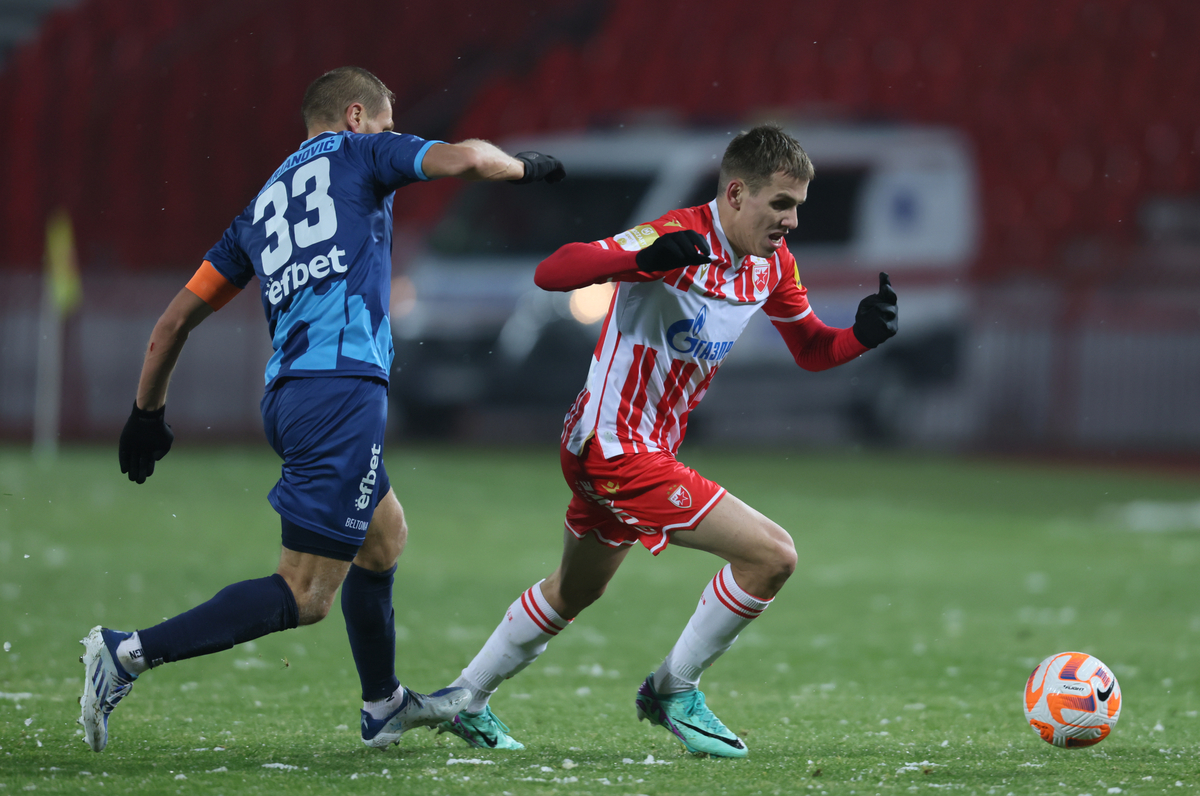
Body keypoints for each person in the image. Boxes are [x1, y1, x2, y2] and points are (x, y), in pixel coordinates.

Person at [78, 66, 566, 753]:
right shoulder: (364, 151)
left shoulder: (261, 205)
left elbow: (174, 321)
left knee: (383, 536)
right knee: (305, 592)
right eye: (391, 123)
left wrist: (146, 411)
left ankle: (383, 704)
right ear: (357, 115)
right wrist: (528, 169)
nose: (396, 136)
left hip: (291, 395)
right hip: (339, 391)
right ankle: (126, 651)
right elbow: (470, 158)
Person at [436, 124, 897, 757]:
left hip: (631, 448)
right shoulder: (674, 234)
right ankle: (673, 689)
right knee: (772, 556)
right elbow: (553, 271)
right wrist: (638, 259)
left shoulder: (772, 264)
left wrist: (862, 337)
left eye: (798, 207)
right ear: (736, 193)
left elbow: (812, 350)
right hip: (615, 444)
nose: (791, 221)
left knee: (575, 590)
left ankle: (466, 697)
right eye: (781, 204)